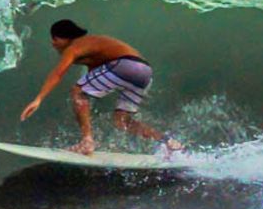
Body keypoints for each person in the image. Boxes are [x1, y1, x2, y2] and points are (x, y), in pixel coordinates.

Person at [20, 19, 183, 155]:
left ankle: (87, 142)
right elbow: (95, 78)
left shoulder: (74, 47)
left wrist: (38, 99)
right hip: (145, 72)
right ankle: (169, 142)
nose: (53, 43)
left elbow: (58, 74)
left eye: (55, 38)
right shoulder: (92, 45)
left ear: (65, 37)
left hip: (125, 64)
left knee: (78, 91)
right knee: (122, 121)